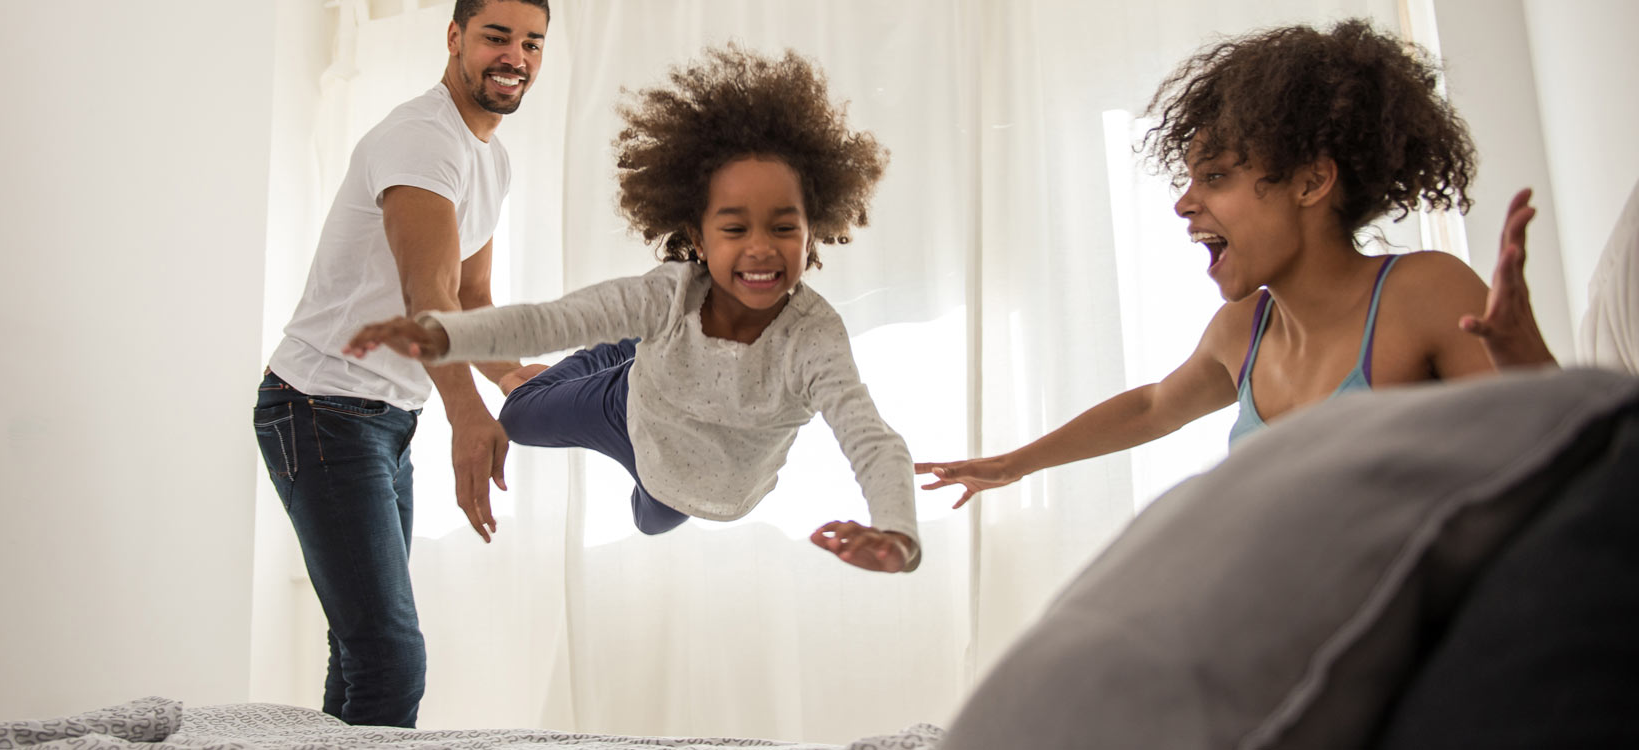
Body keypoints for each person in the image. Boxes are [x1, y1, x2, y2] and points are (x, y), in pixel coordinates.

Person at [916, 19, 1556, 508]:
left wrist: (1528, 361)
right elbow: (1151, 408)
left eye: (1216, 176)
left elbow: (1566, 463)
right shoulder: (1243, 332)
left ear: (1311, 182)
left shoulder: (1425, 292)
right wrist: (1014, 465)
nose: (1183, 204)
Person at [344, 46, 921, 574]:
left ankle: (632, 350)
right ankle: (630, 353)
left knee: (653, 518)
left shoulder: (813, 337)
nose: (760, 248)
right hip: (633, 409)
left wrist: (896, 530)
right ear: (697, 234)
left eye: (783, 227)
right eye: (735, 227)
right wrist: (442, 334)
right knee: (517, 417)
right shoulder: (672, 294)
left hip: (703, 486)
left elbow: (870, 437)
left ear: (811, 232)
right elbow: (553, 320)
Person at [251, 0, 549, 728]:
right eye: (497, 37)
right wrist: (469, 416)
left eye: (533, 43)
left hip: (385, 419)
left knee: (361, 649)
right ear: (455, 39)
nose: (516, 56)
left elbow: (471, 295)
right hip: (321, 407)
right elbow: (428, 296)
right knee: (390, 655)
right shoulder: (422, 138)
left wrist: (514, 376)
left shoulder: (492, 158)